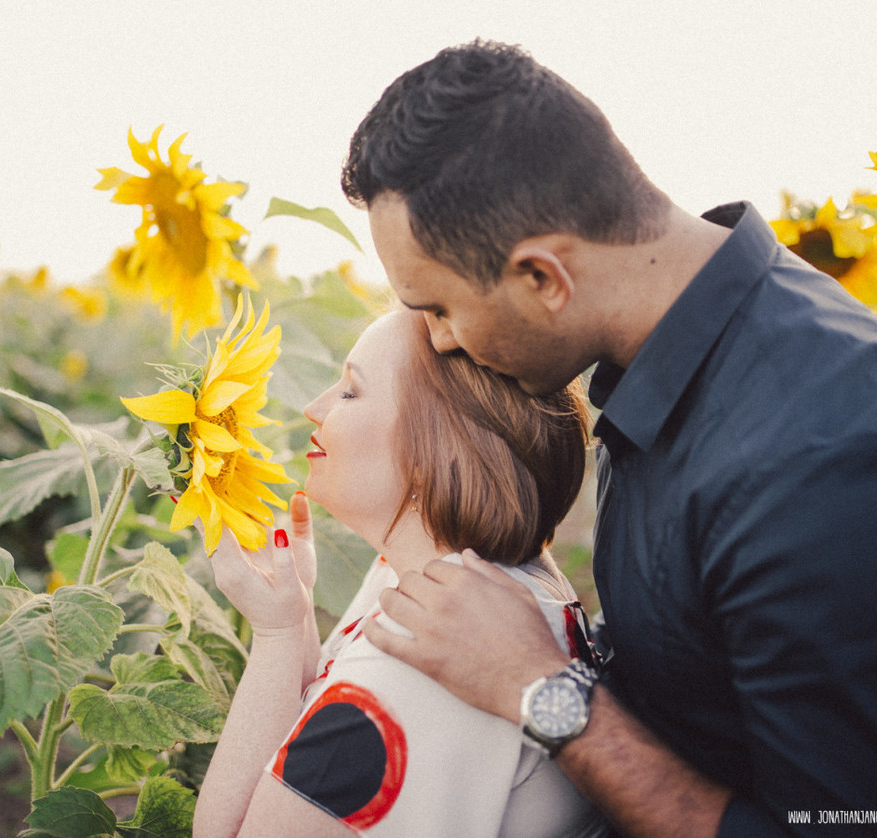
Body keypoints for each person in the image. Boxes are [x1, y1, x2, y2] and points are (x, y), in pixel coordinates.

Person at [342, 39, 877, 837]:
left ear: (544, 277)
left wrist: (543, 690)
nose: (434, 341)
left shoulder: (835, 451)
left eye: (437, 306)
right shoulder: (671, 364)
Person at [193, 309, 611, 837]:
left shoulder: (420, 664)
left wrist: (275, 636)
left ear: (436, 445)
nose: (313, 407)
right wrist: (293, 613)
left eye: (350, 392)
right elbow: (308, 728)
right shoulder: (458, 585)